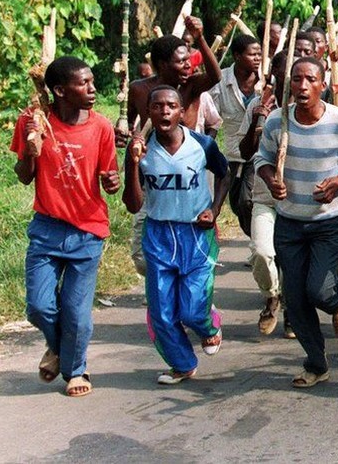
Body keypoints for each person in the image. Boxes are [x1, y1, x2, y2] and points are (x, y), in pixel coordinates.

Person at [254, 57, 338, 388]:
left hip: (328, 222)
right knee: (295, 301)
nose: (303, 86)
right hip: (289, 222)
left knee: (320, 290)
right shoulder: (278, 122)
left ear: (323, 85)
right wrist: (271, 179)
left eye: (310, 79)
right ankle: (316, 362)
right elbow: (261, 158)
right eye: (297, 79)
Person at [12, 56, 120, 397]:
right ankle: (59, 348)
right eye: (83, 83)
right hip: (47, 228)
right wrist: (31, 149)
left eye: (91, 81)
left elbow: (109, 180)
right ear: (60, 91)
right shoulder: (33, 120)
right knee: (39, 307)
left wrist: (113, 181)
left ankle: (76, 369)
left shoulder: (101, 127)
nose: (92, 89)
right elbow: (24, 176)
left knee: (76, 313)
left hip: (87, 231)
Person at [122, 85, 230, 385]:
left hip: (196, 234)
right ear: (149, 112)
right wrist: (132, 164)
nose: (164, 111)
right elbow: (133, 204)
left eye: (171, 106)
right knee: (162, 311)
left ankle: (209, 325)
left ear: (182, 112)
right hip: (158, 235)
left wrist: (214, 209)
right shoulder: (141, 151)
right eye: (157, 106)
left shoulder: (201, 144)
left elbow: (225, 173)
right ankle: (182, 364)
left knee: (193, 311)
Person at [120, 18, 221, 277]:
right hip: (151, 172)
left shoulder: (191, 86)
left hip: (188, 172)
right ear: (163, 65)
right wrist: (123, 134)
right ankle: (161, 286)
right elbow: (129, 122)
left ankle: (191, 286)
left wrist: (200, 37)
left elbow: (215, 76)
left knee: (194, 248)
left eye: (189, 60)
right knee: (144, 256)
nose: (188, 65)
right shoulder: (139, 89)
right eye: (181, 61)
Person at [238, 52, 290, 337]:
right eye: (285, 73)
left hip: (300, 198)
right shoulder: (259, 105)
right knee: (261, 251)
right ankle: (272, 296)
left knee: (294, 262)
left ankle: (294, 313)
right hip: (265, 195)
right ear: (275, 74)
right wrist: (258, 120)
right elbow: (246, 152)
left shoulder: (316, 108)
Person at [206, 34, 262, 236]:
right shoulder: (221, 81)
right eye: (252, 54)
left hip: (259, 153)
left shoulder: (266, 81)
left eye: (259, 54)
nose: (257, 59)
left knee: (248, 201)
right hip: (234, 153)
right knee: (237, 203)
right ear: (237, 56)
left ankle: (261, 241)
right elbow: (212, 118)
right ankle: (257, 237)